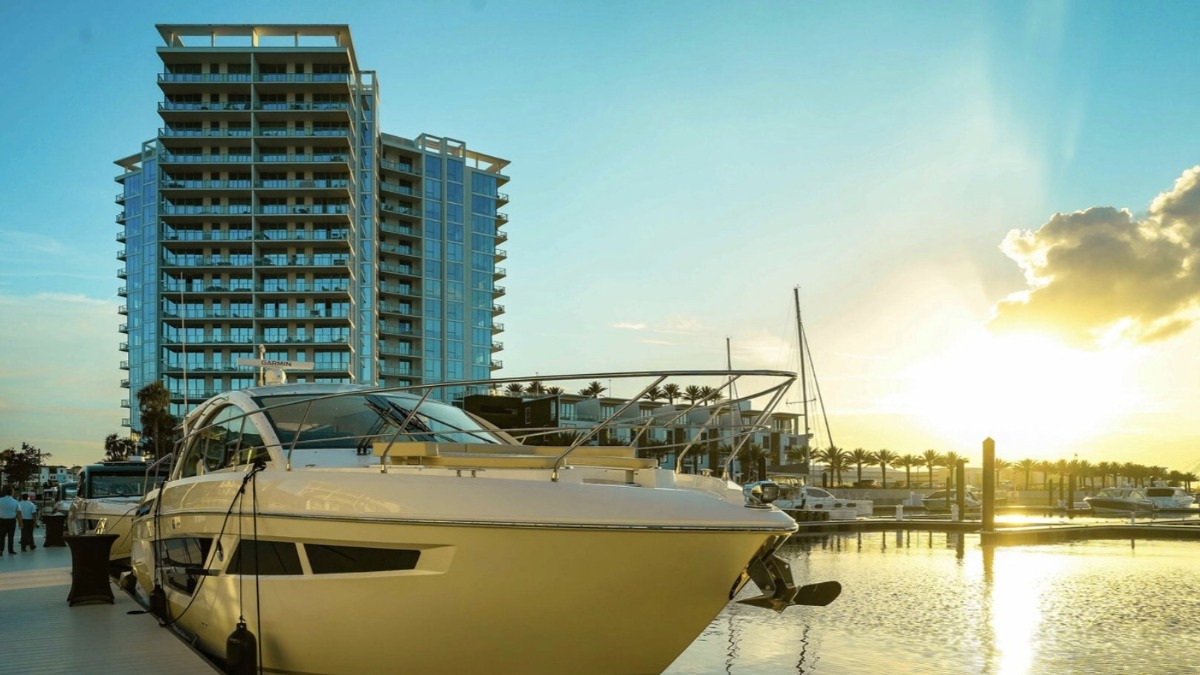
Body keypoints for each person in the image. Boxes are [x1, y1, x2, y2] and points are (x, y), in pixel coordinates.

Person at [0, 487, 18, 556]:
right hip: (12, 520)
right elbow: (18, 512)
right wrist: (21, 522)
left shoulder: (0, 500)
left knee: (1, 536)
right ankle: (10, 550)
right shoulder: (15, 501)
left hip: (2, 520)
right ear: (12, 493)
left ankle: (0, 550)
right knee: (11, 536)